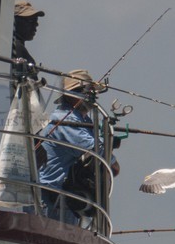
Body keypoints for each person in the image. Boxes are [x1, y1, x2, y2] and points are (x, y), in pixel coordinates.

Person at [37, 70, 119, 225]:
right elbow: (96, 150)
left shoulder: (82, 120)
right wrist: (112, 160)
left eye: (93, 93)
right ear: (72, 94)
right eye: (88, 92)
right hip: (49, 200)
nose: (93, 97)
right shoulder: (65, 121)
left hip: (64, 200)